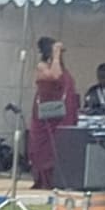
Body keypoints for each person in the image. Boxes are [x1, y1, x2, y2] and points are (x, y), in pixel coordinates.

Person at [28, 38, 69, 186]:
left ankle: (56, 178)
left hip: (57, 113)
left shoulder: (59, 66)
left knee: (57, 146)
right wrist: (55, 56)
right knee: (43, 148)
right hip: (44, 113)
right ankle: (43, 179)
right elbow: (55, 76)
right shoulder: (42, 66)